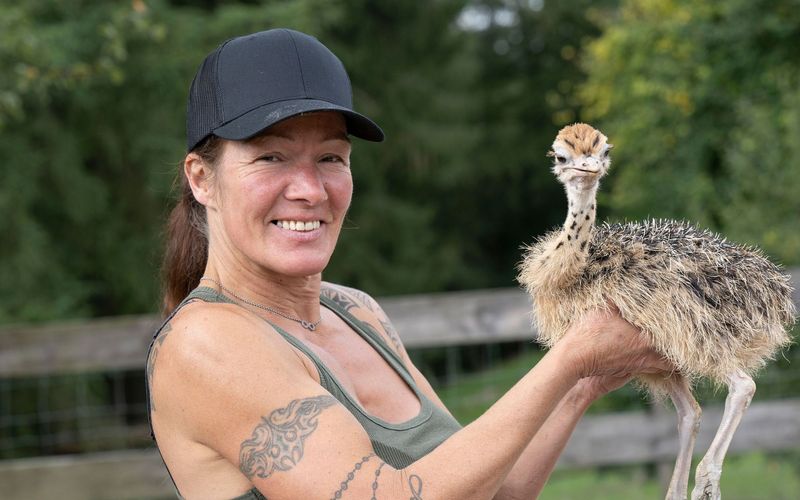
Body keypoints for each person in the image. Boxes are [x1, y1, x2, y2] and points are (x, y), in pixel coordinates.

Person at [146, 28, 670, 500]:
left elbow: (492, 493)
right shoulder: (207, 344)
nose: (309, 190)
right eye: (270, 158)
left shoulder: (357, 312)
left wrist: (583, 384)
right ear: (202, 179)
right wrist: (570, 357)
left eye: (330, 158)